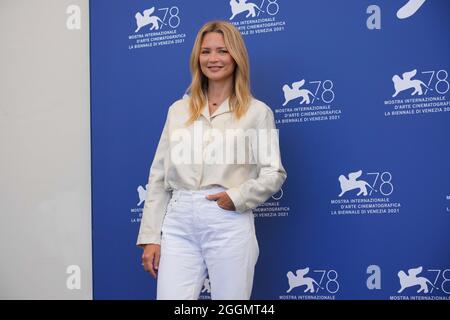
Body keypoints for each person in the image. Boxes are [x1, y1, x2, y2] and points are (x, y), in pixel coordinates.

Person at [137, 20, 287, 300]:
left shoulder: (257, 112)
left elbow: (273, 173)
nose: (213, 59)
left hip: (227, 218)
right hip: (178, 220)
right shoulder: (178, 110)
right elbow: (158, 176)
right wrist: (150, 236)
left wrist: (236, 197)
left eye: (222, 51)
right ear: (197, 58)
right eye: (206, 52)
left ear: (236, 56)